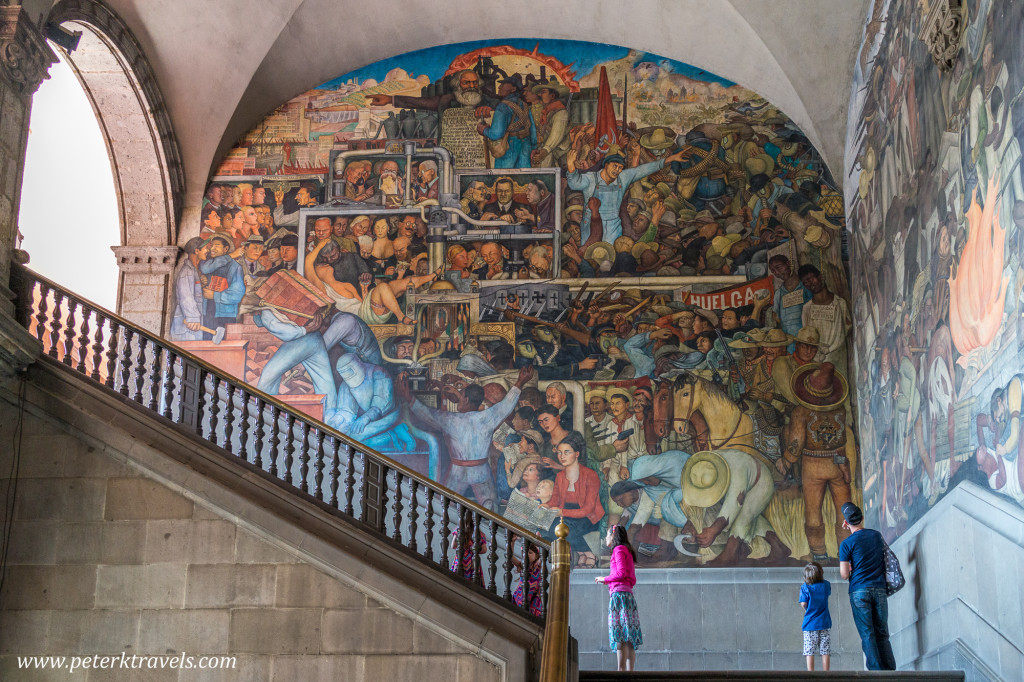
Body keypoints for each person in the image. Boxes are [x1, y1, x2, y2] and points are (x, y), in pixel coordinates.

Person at [838, 502, 896, 671]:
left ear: (846, 523)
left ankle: (876, 673)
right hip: (879, 589)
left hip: (859, 591)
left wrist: (850, 567)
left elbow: (844, 574)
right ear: (862, 518)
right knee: (882, 633)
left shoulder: (846, 544)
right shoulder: (876, 536)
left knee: (867, 634)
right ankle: (890, 671)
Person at [594, 524, 642, 672]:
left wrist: (604, 579)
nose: (605, 538)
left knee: (620, 635)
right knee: (629, 636)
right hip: (627, 596)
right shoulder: (626, 550)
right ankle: (629, 672)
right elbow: (631, 578)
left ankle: (621, 673)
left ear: (613, 535)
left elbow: (620, 573)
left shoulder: (618, 549)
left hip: (619, 597)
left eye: (607, 535)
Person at [800, 561, 832, 672]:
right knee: (825, 650)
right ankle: (826, 673)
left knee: (809, 651)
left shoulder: (805, 588)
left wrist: (807, 610)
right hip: (824, 622)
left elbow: (803, 603)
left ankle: (811, 673)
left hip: (810, 624)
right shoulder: (826, 585)